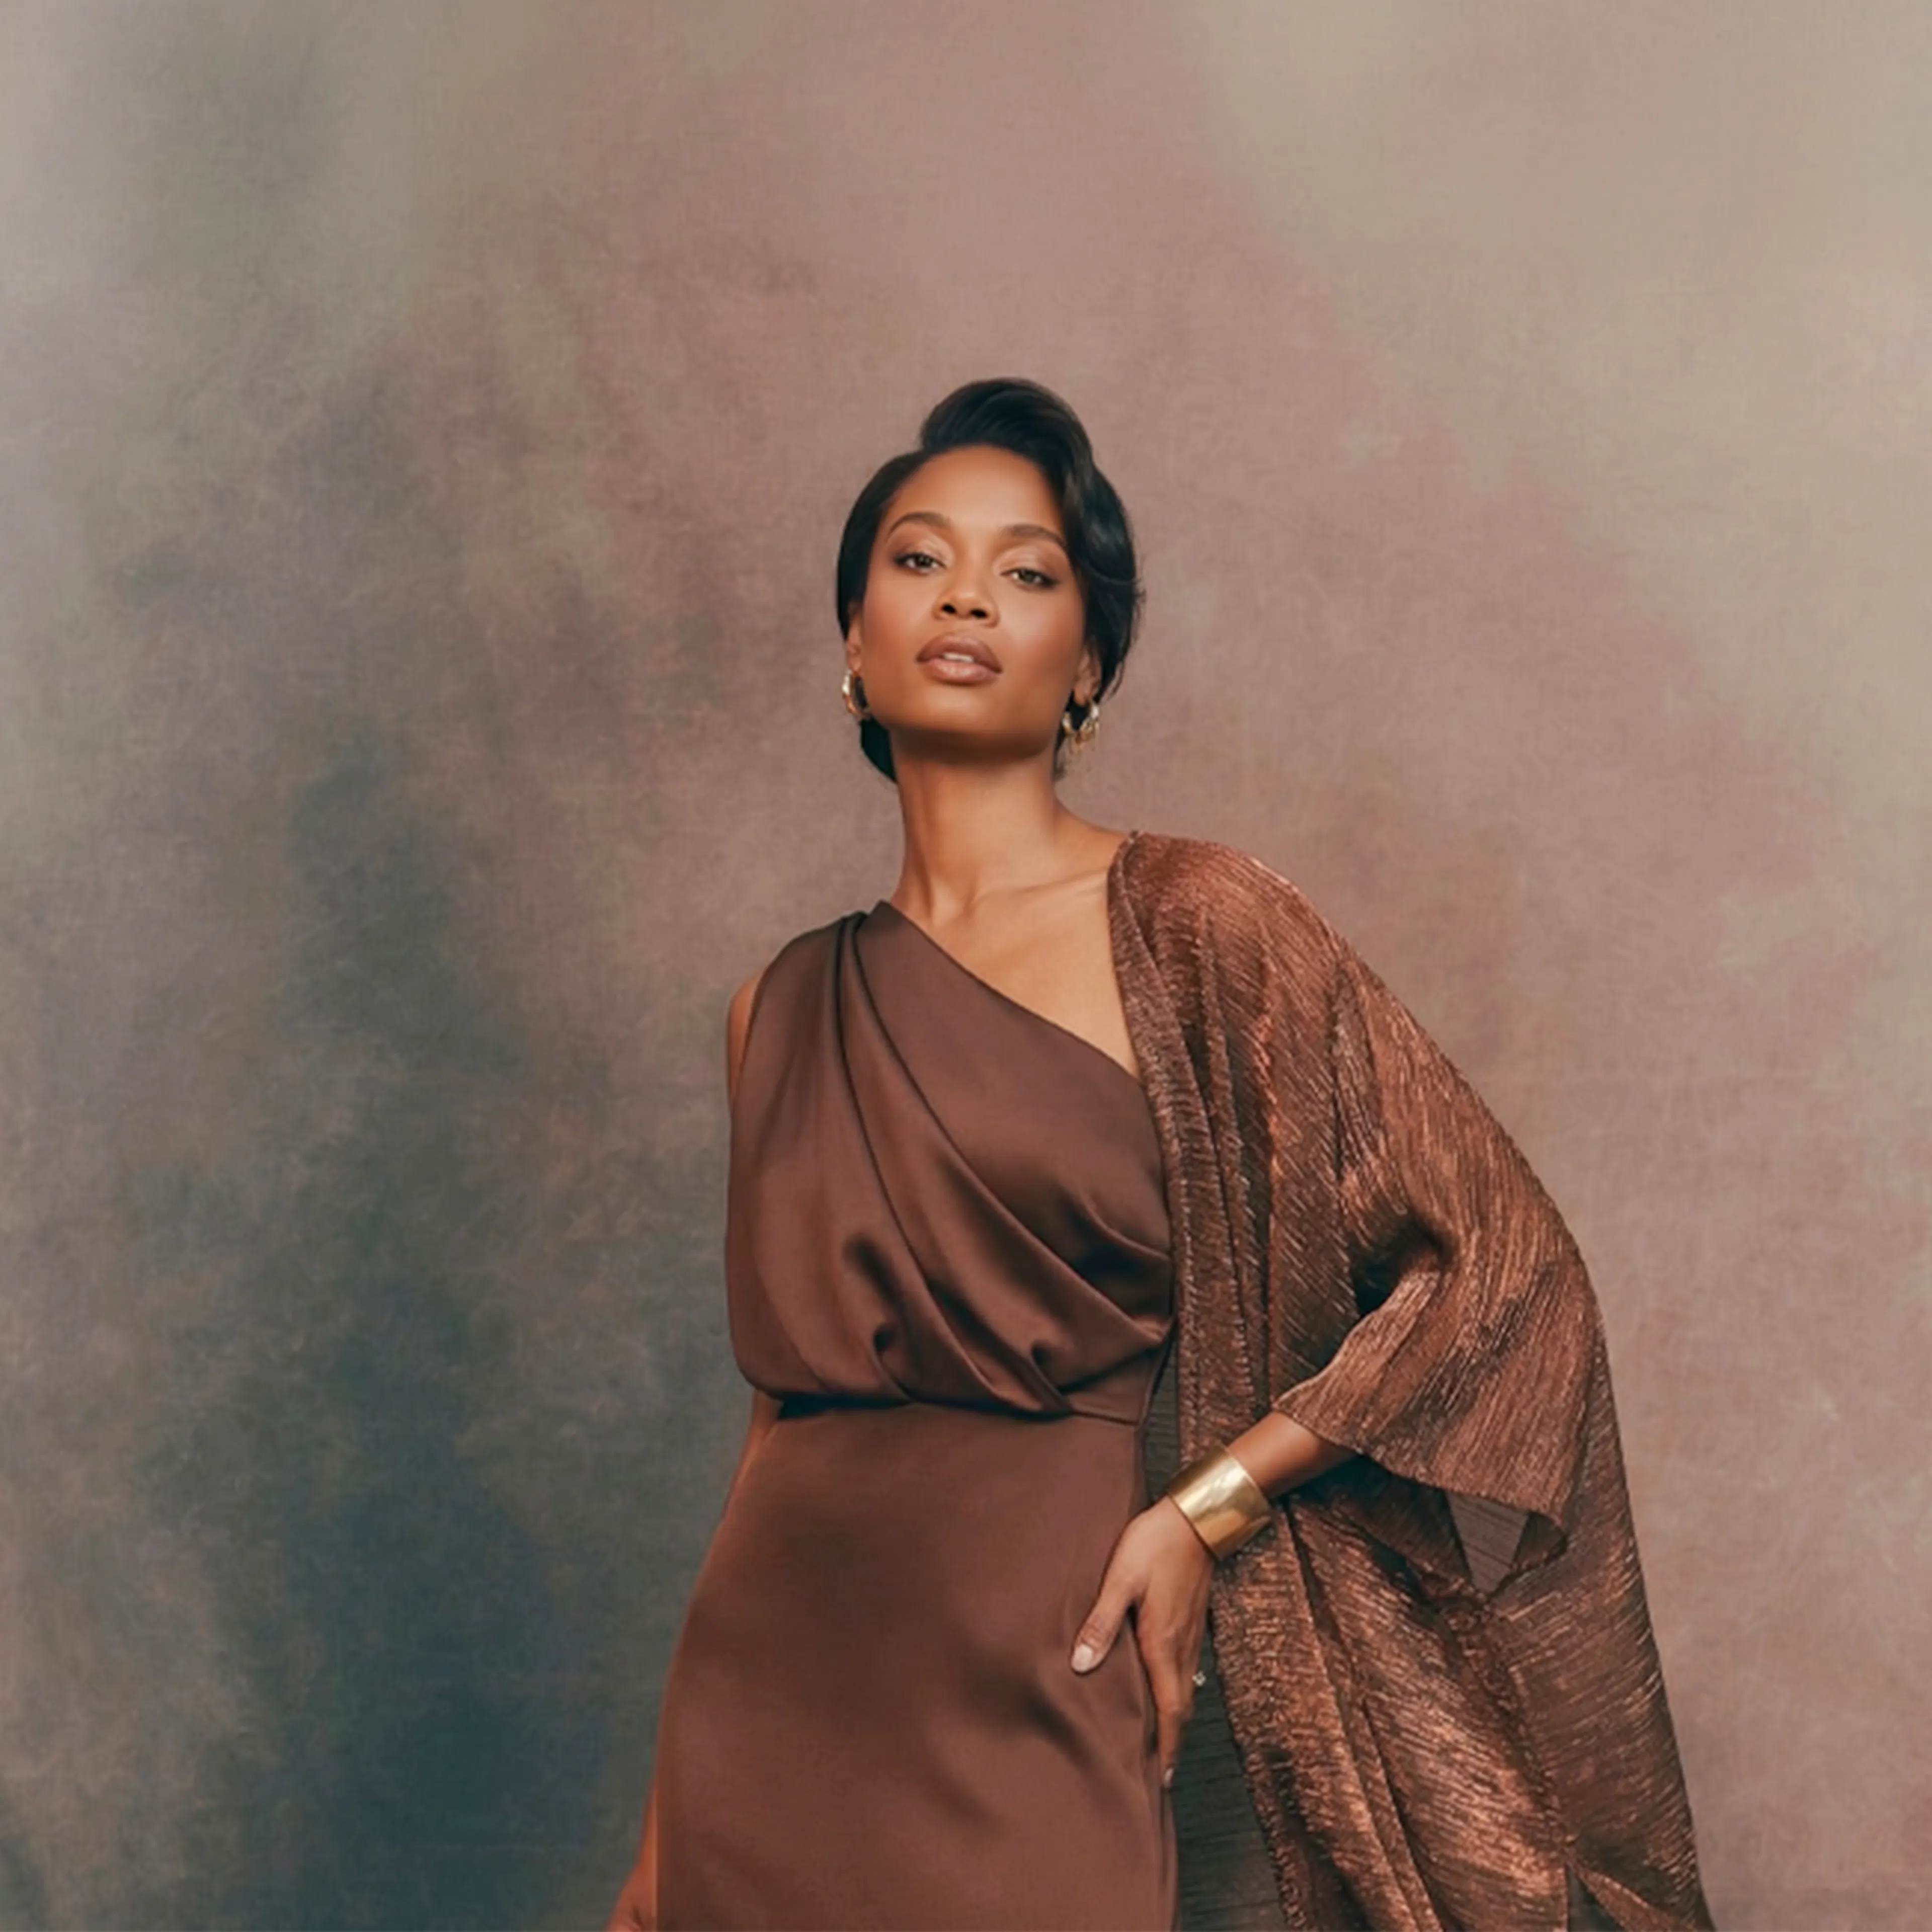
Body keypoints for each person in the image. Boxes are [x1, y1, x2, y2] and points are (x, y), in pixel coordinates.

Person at [610, 379, 1714, 1931]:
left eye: (1027, 571)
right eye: (920, 560)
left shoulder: (1203, 926)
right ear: (853, 643)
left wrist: (1210, 1509)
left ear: (1089, 668)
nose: (967, 596)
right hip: (774, 1695)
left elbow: (1500, 1268)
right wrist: (665, 1838)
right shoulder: (776, 1008)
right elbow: (784, 1417)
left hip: (1059, 1649)